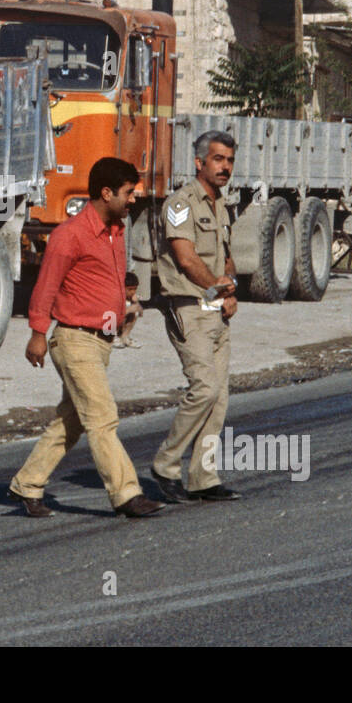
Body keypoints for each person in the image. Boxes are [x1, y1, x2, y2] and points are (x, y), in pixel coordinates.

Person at [8, 157, 165, 519]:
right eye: (128, 193)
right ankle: (127, 494)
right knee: (102, 416)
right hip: (73, 340)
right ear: (106, 192)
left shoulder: (116, 231)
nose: (133, 200)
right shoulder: (70, 234)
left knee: (73, 420)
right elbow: (45, 287)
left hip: (100, 343)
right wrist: (37, 335)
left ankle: (27, 484)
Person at [150, 130, 241, 504]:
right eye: (218, 159)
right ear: (199, 162)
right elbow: (186, 259)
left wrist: (231, 288)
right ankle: (165, 465)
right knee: (203, 387)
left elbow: (226, 255)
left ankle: (203, 477)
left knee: (218, 397)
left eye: (230, 161)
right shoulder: (180, 204)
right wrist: (218, 289)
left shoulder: (221, 204)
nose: (225, 167)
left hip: (216, 309)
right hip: (189, 306)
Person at [113, 271, 143, 348]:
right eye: (130, 289)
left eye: (135, 289)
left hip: (121, 324)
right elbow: (112, 315)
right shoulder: (117, 296)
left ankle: (124, 336)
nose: (133, 292)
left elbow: (141, 314)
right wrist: (129, 310)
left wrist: (135, 303)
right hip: (108, 327)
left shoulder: (133, 297)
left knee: (135, 312)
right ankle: (113, 337)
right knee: (126, 309)